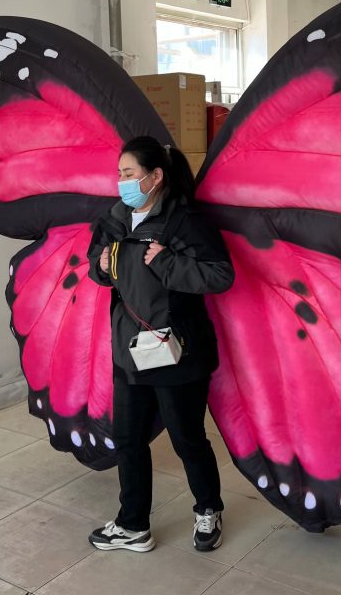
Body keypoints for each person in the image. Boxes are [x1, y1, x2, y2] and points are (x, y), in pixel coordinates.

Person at [86, 136, 235, 553]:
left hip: (178, 352)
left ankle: (208, 508)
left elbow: (221, 276)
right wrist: (99, 267)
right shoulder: (114, 219)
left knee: (187, 439)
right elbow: (101, 269)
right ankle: (133, 524)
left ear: (155, 177)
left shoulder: (185, 223)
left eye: (129, 174)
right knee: (129, 440)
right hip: (129, 351)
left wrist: (168, 262)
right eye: (119, 174)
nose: (122, 182)